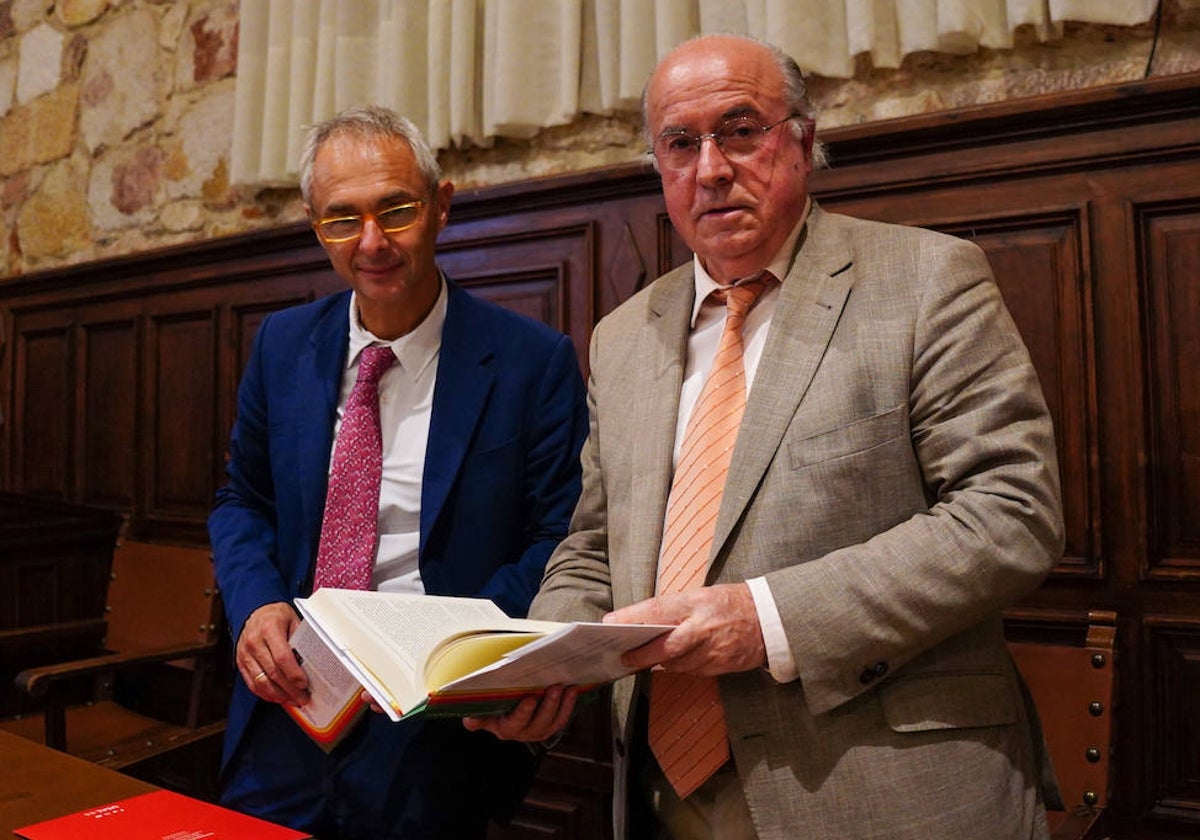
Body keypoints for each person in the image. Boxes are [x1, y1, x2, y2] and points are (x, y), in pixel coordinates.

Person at [467, 34, 1065, 840]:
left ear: (805, 142)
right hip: (659, 794)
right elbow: (595, 543)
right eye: (680, 144)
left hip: (881, 789)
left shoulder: (926, 281)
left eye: (741, 130)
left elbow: (1010, 515)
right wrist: (547, 665)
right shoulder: (622, 335)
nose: (711, 168)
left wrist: (768, 618)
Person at [208, 105, 588, 839]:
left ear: (441, 206)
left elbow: (556, 537)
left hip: (433, 724)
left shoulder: (530, 362)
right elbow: (241, 501)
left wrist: (452, 650)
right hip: (290, 700)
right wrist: (254, 605)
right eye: (342, 220)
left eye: (396, 209)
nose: (372, 242)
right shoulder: (283, 345)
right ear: (317, 227)